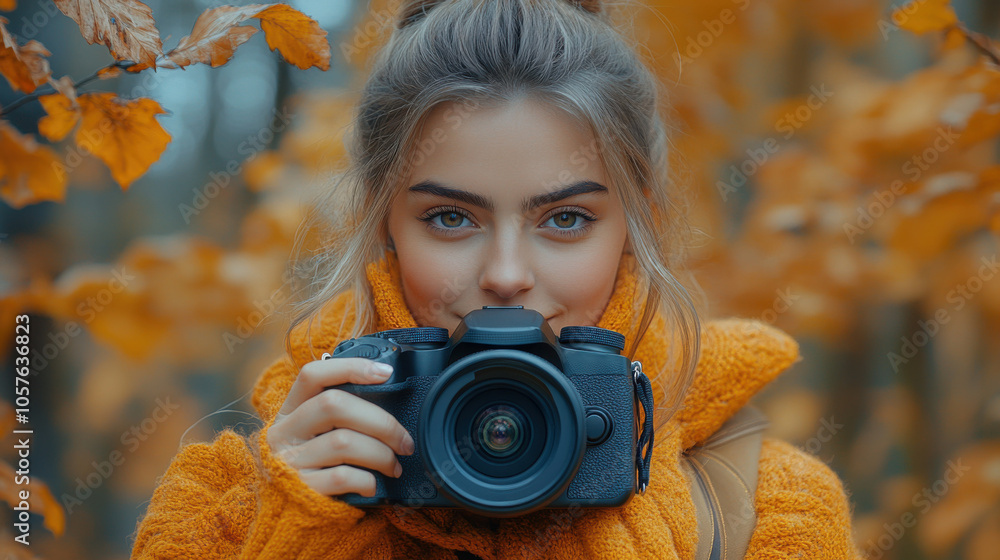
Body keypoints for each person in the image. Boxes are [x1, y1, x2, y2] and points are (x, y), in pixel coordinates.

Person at [130, 0, 865, 558]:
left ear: (636, 223)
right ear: (384, 221)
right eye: (451, 218)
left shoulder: (768, 509)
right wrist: (287, 533)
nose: (507, 276)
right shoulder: (218, 511)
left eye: (566, 219)